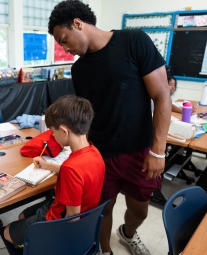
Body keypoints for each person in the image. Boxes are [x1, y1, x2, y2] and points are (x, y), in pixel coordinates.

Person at [48, 1, 171, 255]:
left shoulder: (134, 41)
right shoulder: (78, 69)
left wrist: (158, 151)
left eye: (64, 40)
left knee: (140, 209)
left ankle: (127, 233)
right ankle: (105, 251)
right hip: (101, 155)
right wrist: (79, 156)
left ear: (78, 24)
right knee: (102, 210)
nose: (66, 49)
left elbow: (162, 97)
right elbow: (86, 119)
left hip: (141, 150)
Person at [3, 94, 105, 248]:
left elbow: (72, 217)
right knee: (22, 215)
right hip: (85, 219)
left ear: (64, 131)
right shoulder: (94, 153)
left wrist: (55, 242)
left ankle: (36, 247)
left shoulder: (71, 168)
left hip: (56, 222)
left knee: (7, 231)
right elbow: (80, 175)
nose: (51, 135)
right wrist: (49, 165)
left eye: (52, 131)